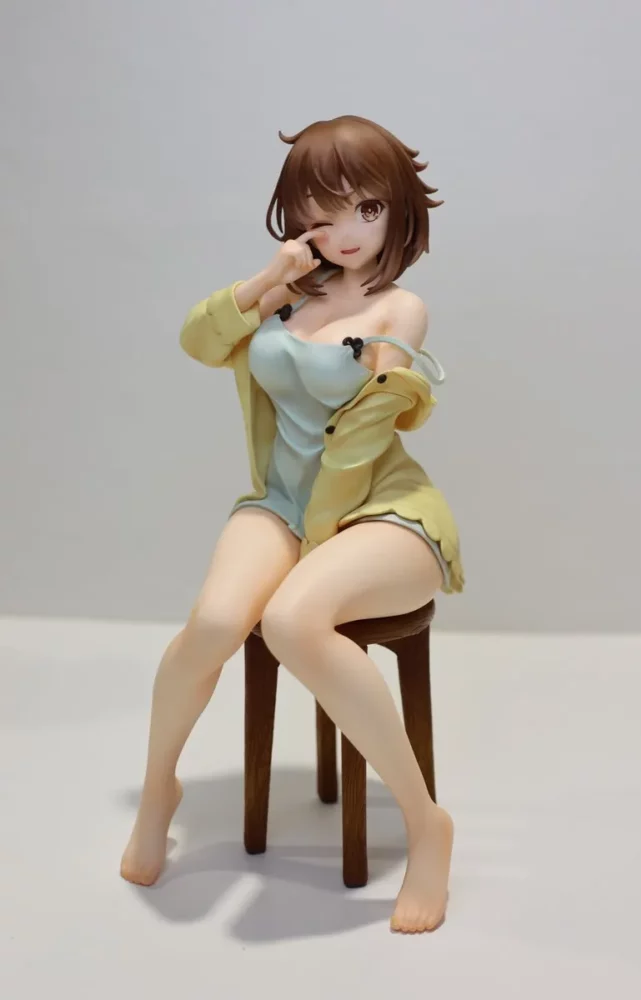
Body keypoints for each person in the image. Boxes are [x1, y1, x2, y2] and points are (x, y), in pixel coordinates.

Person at [121, 115, 464, 934]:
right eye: (324, 210)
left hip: (379, 511)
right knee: (213, 621)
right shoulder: (286, 295)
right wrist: (269, 277)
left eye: (367, 209)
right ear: (296, 213)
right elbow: (199, 341)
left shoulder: (399, 308)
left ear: (397, 211)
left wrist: (320, 535)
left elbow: (375, 427)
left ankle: (426, 824)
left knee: (291, 618)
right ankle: (160, 786)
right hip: (279, 503)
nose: (346, 232)